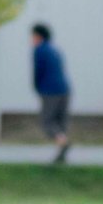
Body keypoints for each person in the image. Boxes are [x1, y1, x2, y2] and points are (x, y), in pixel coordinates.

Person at [30, 23, 72, 164]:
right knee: (60, 122)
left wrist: (37, 87)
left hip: (50, 90)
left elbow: (38, 71)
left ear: (38, 36)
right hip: (65, 89)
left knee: (47, 121)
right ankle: (61, 153)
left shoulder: (39, 50)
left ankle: (63, 143)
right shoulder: (55, 50)